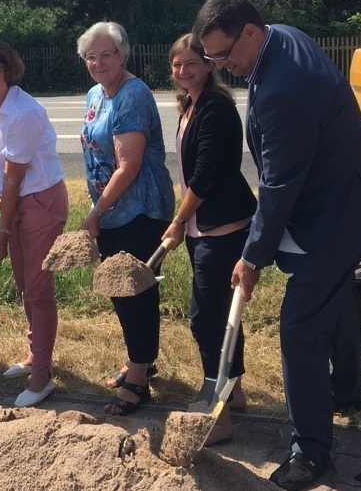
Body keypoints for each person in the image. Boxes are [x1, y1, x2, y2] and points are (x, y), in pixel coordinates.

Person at [193, 0, 361, 490]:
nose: (220, 66)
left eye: (223, 54)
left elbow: (280, 185)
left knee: (300, 326)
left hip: (333, 216)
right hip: (350, 201)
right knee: (335, 298)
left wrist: (253, 257)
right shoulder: (284, 36)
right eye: (211, 57)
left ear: (251, 32)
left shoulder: (283, 87)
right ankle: (345, 390)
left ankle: (311, 451)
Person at [161, 33, 257, 444]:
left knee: (205, 316)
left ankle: (217, 410)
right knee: (218, 311)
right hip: (206, 226)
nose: (184, 71)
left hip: (223, 227)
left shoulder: (216, 108)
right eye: (177, 65)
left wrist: (179, 219)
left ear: (210, 65)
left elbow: (206, 174)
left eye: (192, 64)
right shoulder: (190, 104)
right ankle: (231, 392)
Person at [76, 21, 175, 416]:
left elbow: (128, 165)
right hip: (113, 211)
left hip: (140, 210)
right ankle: (143, 359)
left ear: (123, 54)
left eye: (107, 54)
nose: (98, 62)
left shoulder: (133, 95)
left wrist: (94, 214)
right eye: (91, 56)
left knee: (133, 292)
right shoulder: (96, 94)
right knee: (123, 291)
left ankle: (138, 380)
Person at [0, 39, 68, 408]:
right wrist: (5, 215)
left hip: (39, 202)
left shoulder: (22, 113)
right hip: (16, 200)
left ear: (9, 71)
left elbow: (15, 177)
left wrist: (2, 233)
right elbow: (1, 172)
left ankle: (43, 378)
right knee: (26, 285)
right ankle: (34, 356)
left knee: (38, 291)